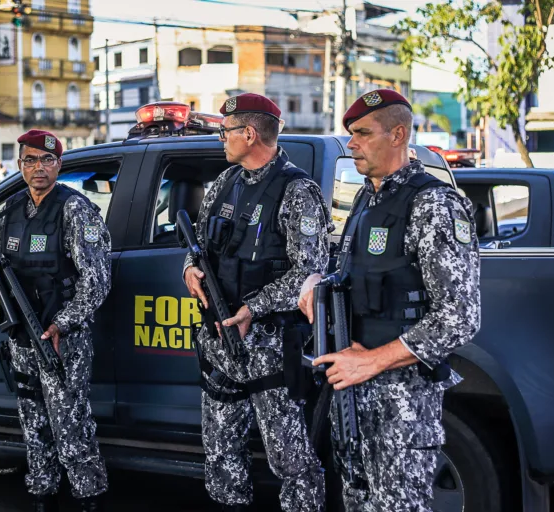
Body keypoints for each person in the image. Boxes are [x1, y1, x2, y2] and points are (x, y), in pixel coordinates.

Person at [298, 89, 481, 511]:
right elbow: (357, 275)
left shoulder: (433, 204)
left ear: (398, 135)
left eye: (363, 133)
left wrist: (372, 360)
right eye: (350, 134)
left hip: (402, 408)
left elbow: (460, 317)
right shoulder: (366, 198)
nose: (352, 144)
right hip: (351, 400)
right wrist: (315, 282)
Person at [183, 93, 331, 511]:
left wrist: (253, 309)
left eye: (226, 132)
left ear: (249, 134)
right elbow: (198, 248)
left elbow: (309, 271)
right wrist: (190, 270)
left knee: (291, 461)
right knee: (221, 452)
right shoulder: (223, 184)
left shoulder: (296, 191)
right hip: (219, 339)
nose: (221, 141)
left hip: (269, 346)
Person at [0, 130, 111, 512]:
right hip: (21, 338)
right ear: (20, 165)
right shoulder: (11, 210)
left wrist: (63, 324)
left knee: (71, 425)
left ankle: (88, 497)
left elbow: (97, 282)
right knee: (32, 421)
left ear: (59, 166)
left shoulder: (76, 211)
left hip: (62, 339)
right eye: (30, 160)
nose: (38, 168)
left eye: (46, 160)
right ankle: (42, 493)